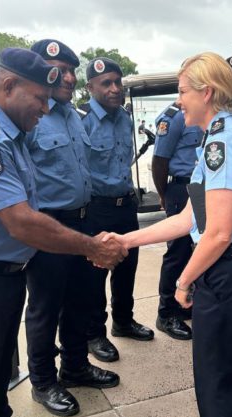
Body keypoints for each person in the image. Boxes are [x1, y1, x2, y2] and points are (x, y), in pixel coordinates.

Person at [0, 47, 127, 417]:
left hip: (1, 276)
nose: (45, 106)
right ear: (8, 85)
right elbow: (21, 222)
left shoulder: (13, 133)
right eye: (39, 98)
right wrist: (91, 247)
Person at [107, 51, 232, 417]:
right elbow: (188, 218)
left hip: (231, 270)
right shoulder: (218, 138)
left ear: (207, 92)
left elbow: (217, 233)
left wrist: (183, 282)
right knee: (217, 382)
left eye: (183, 91)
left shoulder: (222, 145)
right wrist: (125, 239)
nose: (178, 100)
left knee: (217, 387)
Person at [23, 39, 120, 417]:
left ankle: (76, 366)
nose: (66, 76)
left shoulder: (72, 116)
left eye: (70, 70)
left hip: (85, 218)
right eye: (57, 69)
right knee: (46, 307)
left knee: (81, 298)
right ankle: (43, 381)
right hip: (50, 224)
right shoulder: (30, 117)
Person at [80, 57, 154, 363]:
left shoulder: (125, 117)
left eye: (117, 82)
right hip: (97, 208)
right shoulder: (80, 119)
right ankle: (94, 334)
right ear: (90, 88)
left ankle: (123, 321)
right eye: (105, 83)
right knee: (95, 274)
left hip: (126, 205)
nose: (114, 89)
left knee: (127, 267)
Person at [150, 102, 203, 340]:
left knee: (201, 250)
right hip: (182, 188)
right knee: (178, 253)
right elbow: (159, 161)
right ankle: (166, 314)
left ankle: (185, 304)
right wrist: (164, 195)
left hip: (204, 189)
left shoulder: (212, 111)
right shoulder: (174, 116)